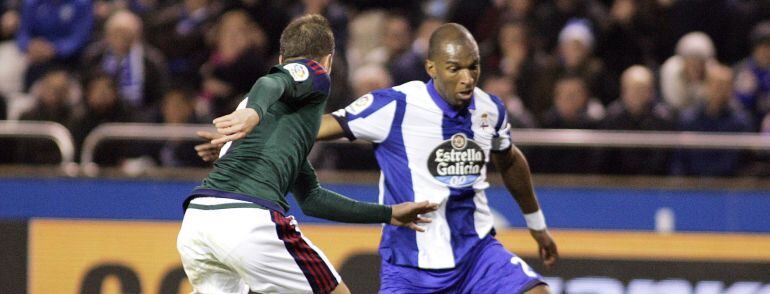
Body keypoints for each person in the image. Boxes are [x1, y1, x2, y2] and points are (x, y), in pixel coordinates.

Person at [199, 22, 558, 294]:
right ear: (431, 68)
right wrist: (246, 139)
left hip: (478, 255)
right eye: (455, 69)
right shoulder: (394, 105)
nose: (467, 79)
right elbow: (317, 127)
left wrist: (537, 224)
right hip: (410, 264)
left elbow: (510, 160)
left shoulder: (490, 108)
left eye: (473, 67)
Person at [177, 14, 437, 294]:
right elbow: (273, 82)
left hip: (198, 220)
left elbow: (312, 199)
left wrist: (388, 213)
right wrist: (253, 113)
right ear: (328, 60)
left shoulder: (286, 131)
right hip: (245, 217)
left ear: (279, 56)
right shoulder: (313, 75)